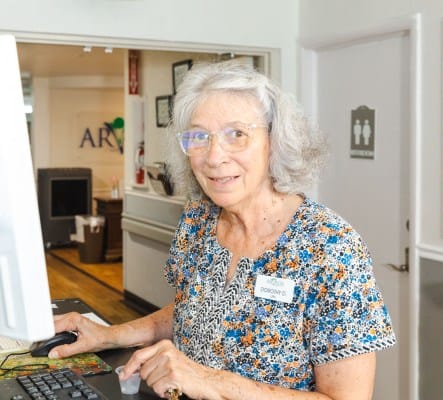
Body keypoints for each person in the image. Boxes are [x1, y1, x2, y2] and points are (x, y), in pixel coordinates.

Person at [52, 61, 396, 399]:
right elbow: (193, 310)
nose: (214, 157)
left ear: (274, 142)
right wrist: (108, 335)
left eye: (237, 134)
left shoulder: (330, 245)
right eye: (199, 137)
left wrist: (212, 381)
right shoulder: (198, 220)